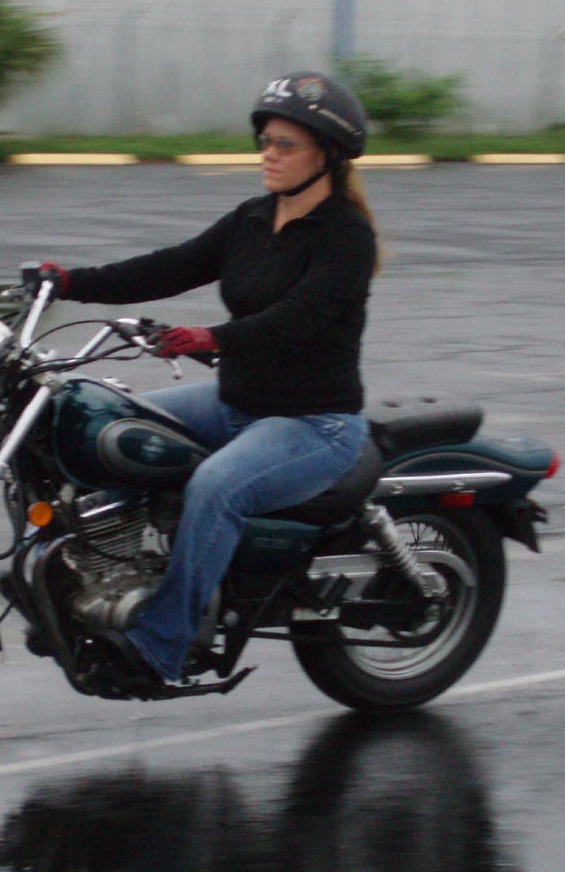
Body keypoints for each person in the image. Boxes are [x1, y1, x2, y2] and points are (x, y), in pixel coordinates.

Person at [40, 71, 378, 687]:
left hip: (314, 423)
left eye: (286, 144)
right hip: (236, 401)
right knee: (111, 425)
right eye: (265, 141)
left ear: (328, 155)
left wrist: (213, 337)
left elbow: (298, 319)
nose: (269, 154)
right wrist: (69, 282)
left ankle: (162, 647)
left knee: (216, 487)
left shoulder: (346, 237)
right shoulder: (253, 219)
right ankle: (98, 579)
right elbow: (170, 267)